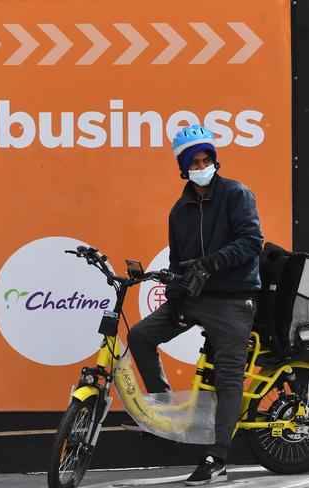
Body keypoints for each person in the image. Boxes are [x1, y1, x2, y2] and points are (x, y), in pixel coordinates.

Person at [125, 125, 264, 486]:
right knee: (140, 335)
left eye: (207, 159)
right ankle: (164, 412)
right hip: (193, 297)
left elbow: (252, 241)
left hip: (232, 298)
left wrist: (212, 263)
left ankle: (217, 458)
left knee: (229, 377)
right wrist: (177, 300)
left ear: (215, 161)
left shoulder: (236, 193)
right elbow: (177, 263)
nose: (202, 166)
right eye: (194, 162)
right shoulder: (179, 211)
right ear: (183, 168)